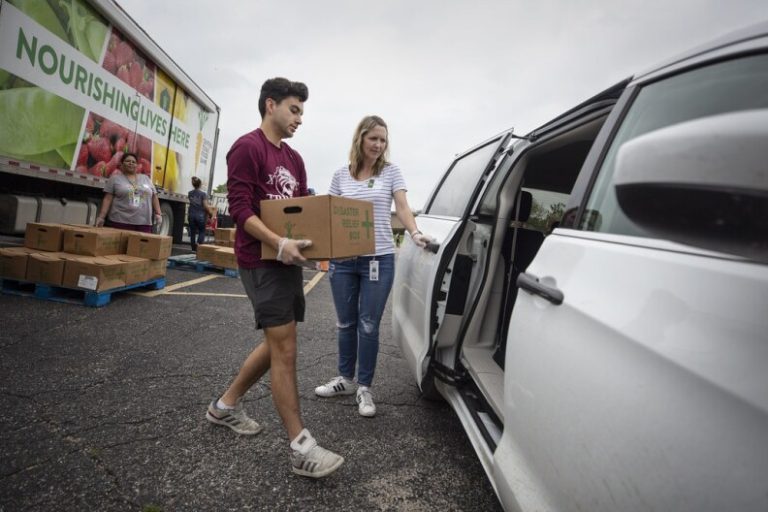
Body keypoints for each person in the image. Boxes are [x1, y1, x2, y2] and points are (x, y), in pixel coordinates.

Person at [204, 77, 344, 479]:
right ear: (271, 105)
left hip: (286, 264)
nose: (299, 118)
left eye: (302, 111)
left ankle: (224, 407)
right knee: (284, 349)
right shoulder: (248, 147)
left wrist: (316, 250)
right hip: (260, 261)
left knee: (277, 340)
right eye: (294, 109)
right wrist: (276, 243)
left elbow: (299, 209)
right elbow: (240, 207)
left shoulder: (295, 159)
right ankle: (301, 447)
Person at [314, 115, 430, 417]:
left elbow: (402, 207)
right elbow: (331, 216)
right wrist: (322, 250)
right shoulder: (341, 175)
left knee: (368, 324)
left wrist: (414, 232)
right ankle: (345, 379)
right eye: (373, 138)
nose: (379, 145)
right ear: (360, 139)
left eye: (383, 140)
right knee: (345, 323)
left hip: (377, 259)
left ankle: (364, 387)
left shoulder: (391, 172)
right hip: (343, 260)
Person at [95, 152, 162, 231]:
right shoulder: (114, 179)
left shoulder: (146, 178)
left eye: (133, 162)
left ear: (137, 165)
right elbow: (107, 199)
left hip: (144, 223)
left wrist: (158, 214)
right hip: (120, 222)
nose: (131, 163)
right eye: (128, 161)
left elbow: (154, 196)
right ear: (122, 164)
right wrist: (101, 217)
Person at [188, 176, 215, 251]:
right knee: (202, 231)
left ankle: (193, 249)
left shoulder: (190, 193)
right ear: (200, 185)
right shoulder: (203, 194)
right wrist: (211, 214)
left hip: (191, 215)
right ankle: (199, 246)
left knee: (192, 232)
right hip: (200, 216)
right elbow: (205, 206)